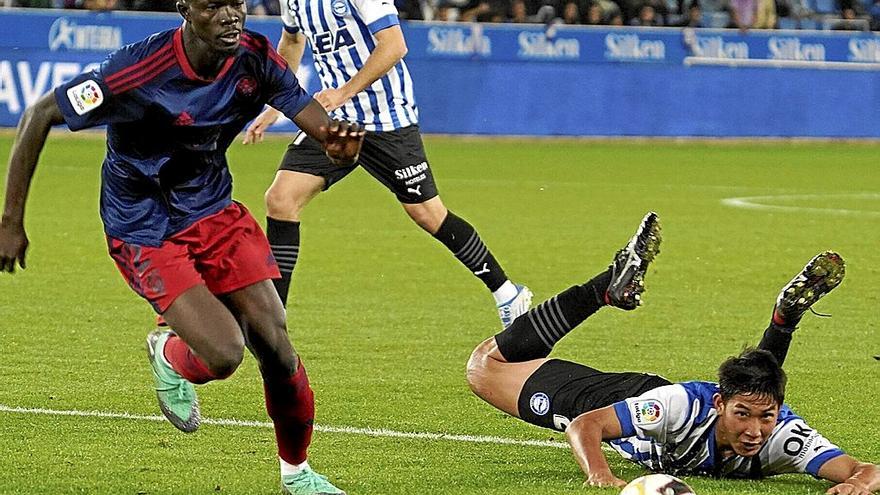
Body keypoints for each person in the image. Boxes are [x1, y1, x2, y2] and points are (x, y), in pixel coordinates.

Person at [0, 0, 366, 493]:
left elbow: (316, 122)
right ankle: (170, 353)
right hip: (143, 226)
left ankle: (297, 474)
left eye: (237, 3)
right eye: (214, 6)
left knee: (277, 347)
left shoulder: (255, 57)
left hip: (213, 211)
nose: (231, 15)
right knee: (224, 355)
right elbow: (40, 113)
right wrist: (10, 223)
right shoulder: (136, 70)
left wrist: (335, 142)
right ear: (186, 11)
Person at [466, 212, 879, 493]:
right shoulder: (674, 407)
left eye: (767, 417)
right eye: (743, 416)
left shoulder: (785, 439)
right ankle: (603, 289)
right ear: (719, 404)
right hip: (629, 396)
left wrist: (858, 484)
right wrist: (601, 474)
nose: (755, 431)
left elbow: (867, 470)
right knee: (486, 367)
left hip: (712, 402)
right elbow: (584, 427)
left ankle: (783, 324)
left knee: (756, 389)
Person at [242, 0, 532, 328]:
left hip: (386, 118)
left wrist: (344, 92)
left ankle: (507, 292)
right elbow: (292, 42)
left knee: (427, 214)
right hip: (338, 121)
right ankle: (273, 321)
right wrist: (278, 105)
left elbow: (394, 45)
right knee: (280, 199)